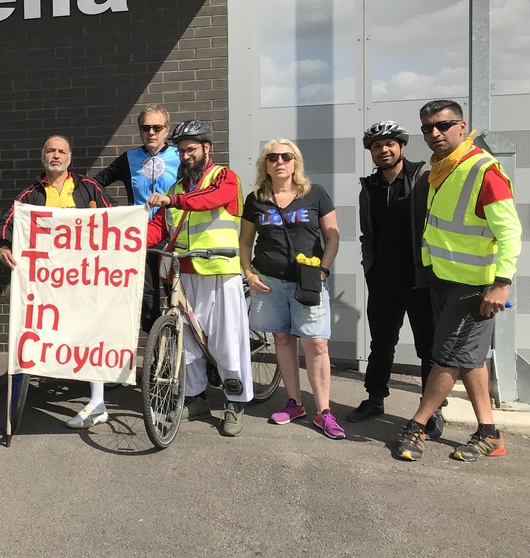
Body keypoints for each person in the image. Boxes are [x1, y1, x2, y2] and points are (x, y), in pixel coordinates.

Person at [394, 100, 522, 462]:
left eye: (443, 125)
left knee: (446, 357)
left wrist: (501, 282)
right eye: (427, 128)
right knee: (470, 360)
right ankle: (489, 433)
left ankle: (417, 425)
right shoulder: (443, 168)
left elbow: (510, 233)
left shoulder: (483, 170)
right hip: (444, 279)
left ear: (462, 126)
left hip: (474, 287)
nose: (434, 133)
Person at [0, 135, 115, 428]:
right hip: (47, 281)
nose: (56, 155)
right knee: (44, 329)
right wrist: (3, 247)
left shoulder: (90, 189)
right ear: (43, 157)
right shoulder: (29, 196)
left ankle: (98, 403)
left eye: (62, 151)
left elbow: (116, 222)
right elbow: (7, 224)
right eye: (51, 150)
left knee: (91, 334)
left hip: (87, 276)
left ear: (70, 159)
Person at [144, 121, 253, 436]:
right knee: (187, 342)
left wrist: (173, 201)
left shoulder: (224, 177)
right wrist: (133, 236)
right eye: (181, 151)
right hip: (185, 272)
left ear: (207, 148)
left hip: (220, 269)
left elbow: (213, 200)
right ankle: (195, 399)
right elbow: (162, 229)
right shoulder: (175, 188)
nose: (185, 155)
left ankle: (235, 403)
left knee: (227, 340)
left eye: (191, 149)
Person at [239, 138, 344, 439]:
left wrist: (323, 270)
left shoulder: (315, 195)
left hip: (308, 280)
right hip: (269, 282)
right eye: (273, 157)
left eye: (287, 156)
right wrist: (248, 273)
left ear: (295, 161)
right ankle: (294, 403)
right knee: (283, 340)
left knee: (317, 344)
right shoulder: (255, 199)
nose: (280, 161)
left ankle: (324, 412)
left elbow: (333, 237)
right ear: (265, 164)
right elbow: (245, 241)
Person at [349, 122, 439, 434]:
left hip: (420, 280)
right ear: (370, 152)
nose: (383, 150)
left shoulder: (423, 179)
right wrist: (369, 268)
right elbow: (367, 234)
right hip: (383, 280)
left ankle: (433, 410)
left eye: (389, 144)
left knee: (428, 348)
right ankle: (375, 399)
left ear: (401, 146)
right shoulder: (369, 187)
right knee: (382, 343)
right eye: (376, 146)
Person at [94, 105, 180, 332]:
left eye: (157, 127)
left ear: (167, 130)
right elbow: (96, 183)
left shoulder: (180, 156)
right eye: (146, 128)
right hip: (140, 236)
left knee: (177, 295)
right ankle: (155, 356)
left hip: (173, 234)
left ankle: (180, 350)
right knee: (147, 297)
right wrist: (113, 208)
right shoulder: (129, 158)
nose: (151, 132)